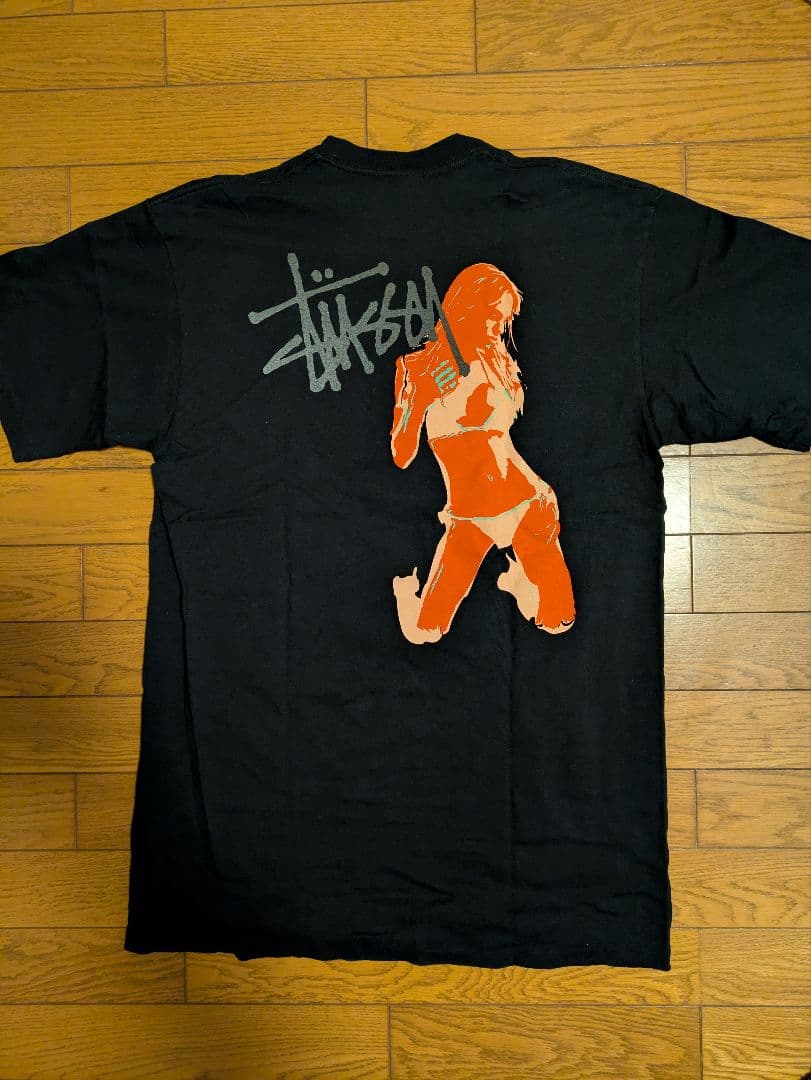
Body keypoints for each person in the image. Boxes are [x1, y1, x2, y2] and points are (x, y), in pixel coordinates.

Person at [390, 261, 576, 644]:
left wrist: (542, 490)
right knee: (423, 632)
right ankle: (409, 592)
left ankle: (519, 583)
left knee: (560, 620)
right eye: (492, 316)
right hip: (469, 517)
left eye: (504, 320)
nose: (498, 328)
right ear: (466, 308)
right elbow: (401, 454)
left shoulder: (499, 362)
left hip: (526, 502)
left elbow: (498, 440)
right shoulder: (416, 367)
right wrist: (419, 400)